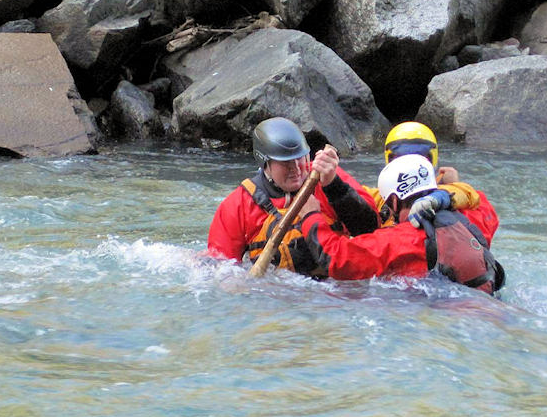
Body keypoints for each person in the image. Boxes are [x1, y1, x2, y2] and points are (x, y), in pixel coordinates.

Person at [297, 154, 505, 295]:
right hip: (486, 302)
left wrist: (310, 216)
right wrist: (449, 190)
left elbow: (336, 260)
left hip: (442, 317)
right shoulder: (472, 219)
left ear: (394, 202)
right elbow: (484, 206)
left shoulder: (400, 241)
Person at [207, 117, 381, 276]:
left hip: (333, 288)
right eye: (286, 163)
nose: (297, 169)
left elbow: (370, 230)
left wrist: (334, 186)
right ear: (265, 163)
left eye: (300, 158)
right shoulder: (237, 206)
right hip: (278, 295)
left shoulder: (328, 177)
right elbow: (222, 270)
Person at [363, 121, 481, 226]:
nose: (411, 166)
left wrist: (442, 195)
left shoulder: (447, 193)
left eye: (419, 157)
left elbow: (469, 195)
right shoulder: (380, 197)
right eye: (401, 158)